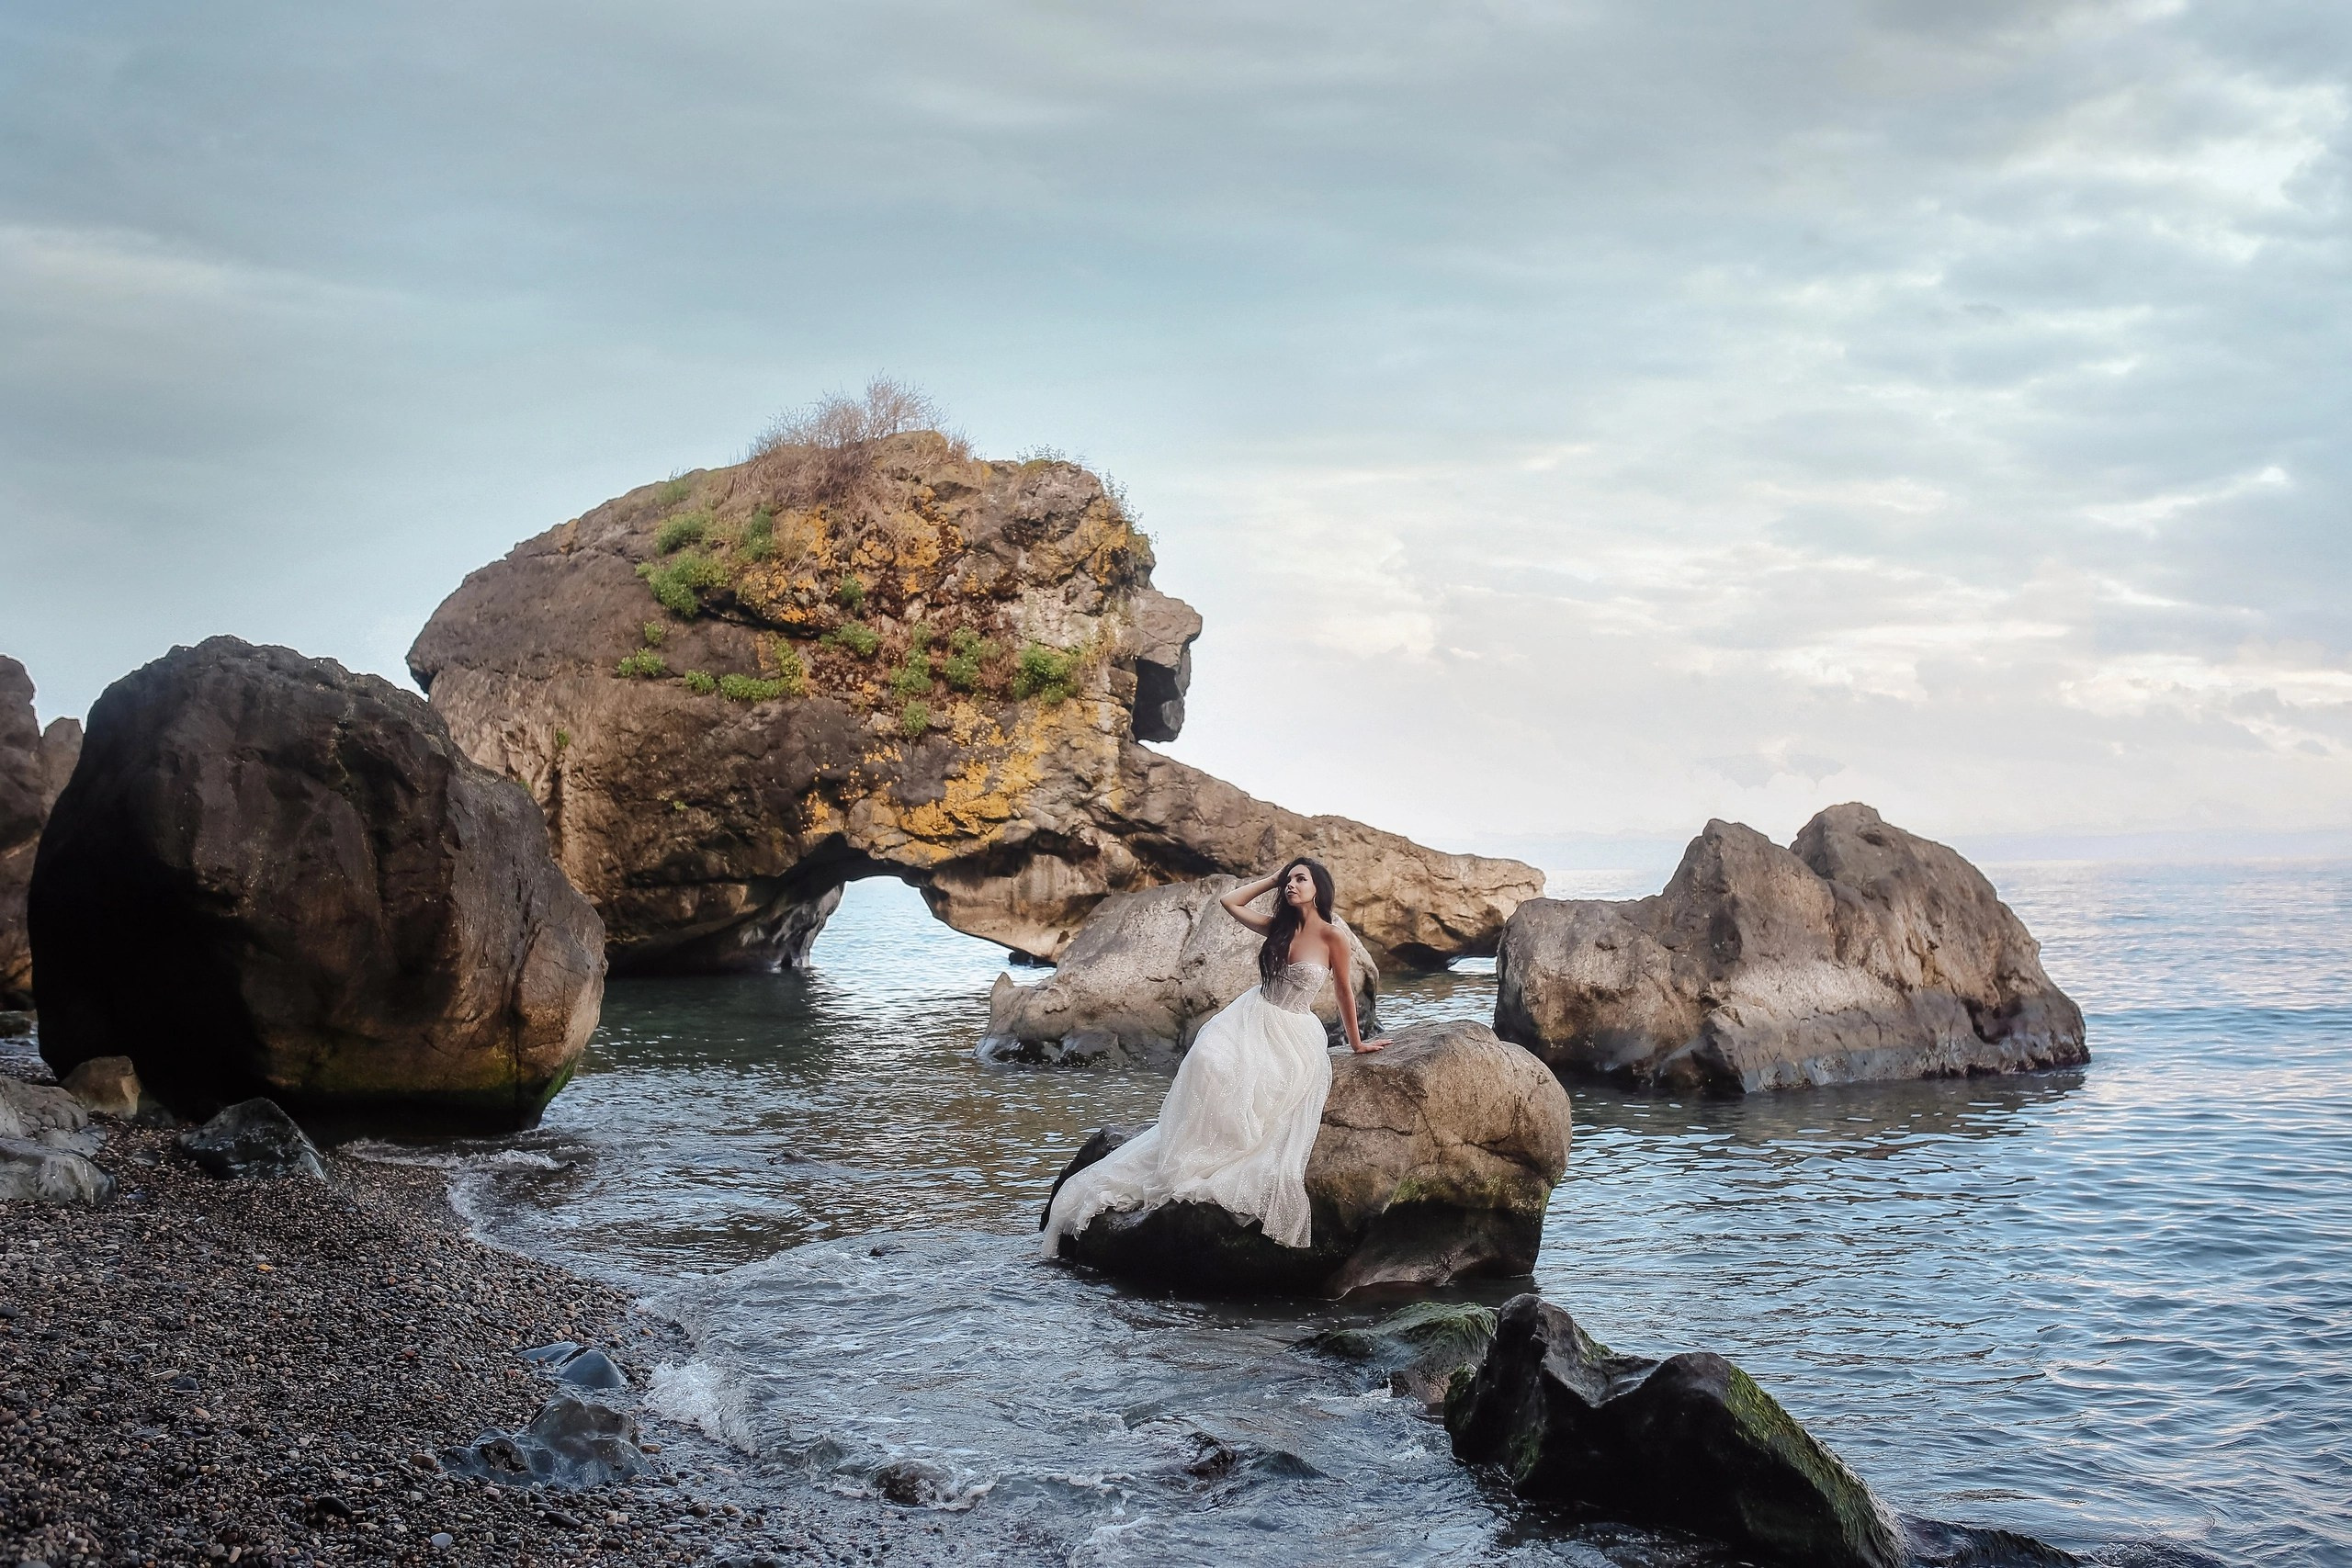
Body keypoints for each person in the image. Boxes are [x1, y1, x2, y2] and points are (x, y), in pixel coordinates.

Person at [1039, 857, 1388, 1257]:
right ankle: (1198, 1145)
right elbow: (1230, 901)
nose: (1291, 885)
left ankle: (1227, 1148)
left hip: (1294, 1028)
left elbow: (1344, 990)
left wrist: (1357, 1043)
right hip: (1252, 1014)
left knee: (1266, 1093)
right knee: (1209, 1060)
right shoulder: (1278, 927)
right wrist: (1272, 878)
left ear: (1318, 888)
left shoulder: (1333, 936)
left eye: (1299, 879)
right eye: (1288, 880)